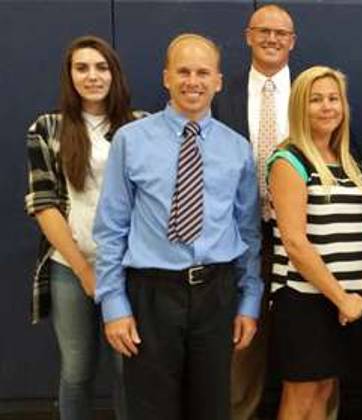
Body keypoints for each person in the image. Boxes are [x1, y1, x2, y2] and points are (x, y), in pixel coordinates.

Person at [94, 33, 261, 420]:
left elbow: (248, 232)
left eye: (203, 72)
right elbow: (111, 226)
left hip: (216, 294)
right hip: (151, 293)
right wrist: (114, 303)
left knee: (212, 407)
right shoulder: (130, 140)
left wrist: (249, 301)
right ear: (166, 77)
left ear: (218, 81)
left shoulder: (237, 149)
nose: (193, 81)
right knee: (151, 409)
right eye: (183, 71)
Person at [24, 35, 143, 420]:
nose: (92, 76)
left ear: (114, 74)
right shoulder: (47, 128)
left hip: (128, 266)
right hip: (70, 266)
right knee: (77, 370)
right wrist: (85, 270)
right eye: (82, 68)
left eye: (101, 67)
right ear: (70, 76)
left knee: (129, 368)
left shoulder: (140, 126)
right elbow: (44, 205)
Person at [267, 66, 362, 420]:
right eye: (316, 100)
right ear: (299, 107)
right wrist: (339, 297)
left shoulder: (350, 161)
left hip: (346, 301)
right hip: (305, 299)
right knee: (301, 393)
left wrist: (348, 297)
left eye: (333, 98)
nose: (327, 107)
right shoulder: (289, 160)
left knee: (325, 390)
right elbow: (295, 243)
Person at [213, 4, 296, 419]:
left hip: (302, 239)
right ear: (248, 35)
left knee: (311, 346)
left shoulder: (313, 94)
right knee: (240, 346)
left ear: (292, 41)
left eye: (281, 33)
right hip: (238, 239)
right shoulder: (219, 97)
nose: (272, 39)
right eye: (263, 31)